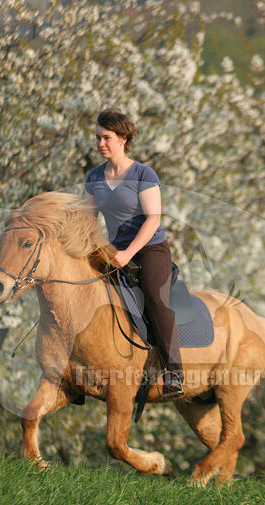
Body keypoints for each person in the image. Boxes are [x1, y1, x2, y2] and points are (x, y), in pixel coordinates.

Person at [84, 109, 184, 397]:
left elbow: (153, 219)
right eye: (98, 138)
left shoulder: (143, 173)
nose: (100, 143)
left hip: (150, 249)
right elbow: (89, 221)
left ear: (123, 138)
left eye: (106, 138)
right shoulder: (94, 177)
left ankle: (174, 373)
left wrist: (128, 253)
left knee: (154, 299)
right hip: (114, 251)